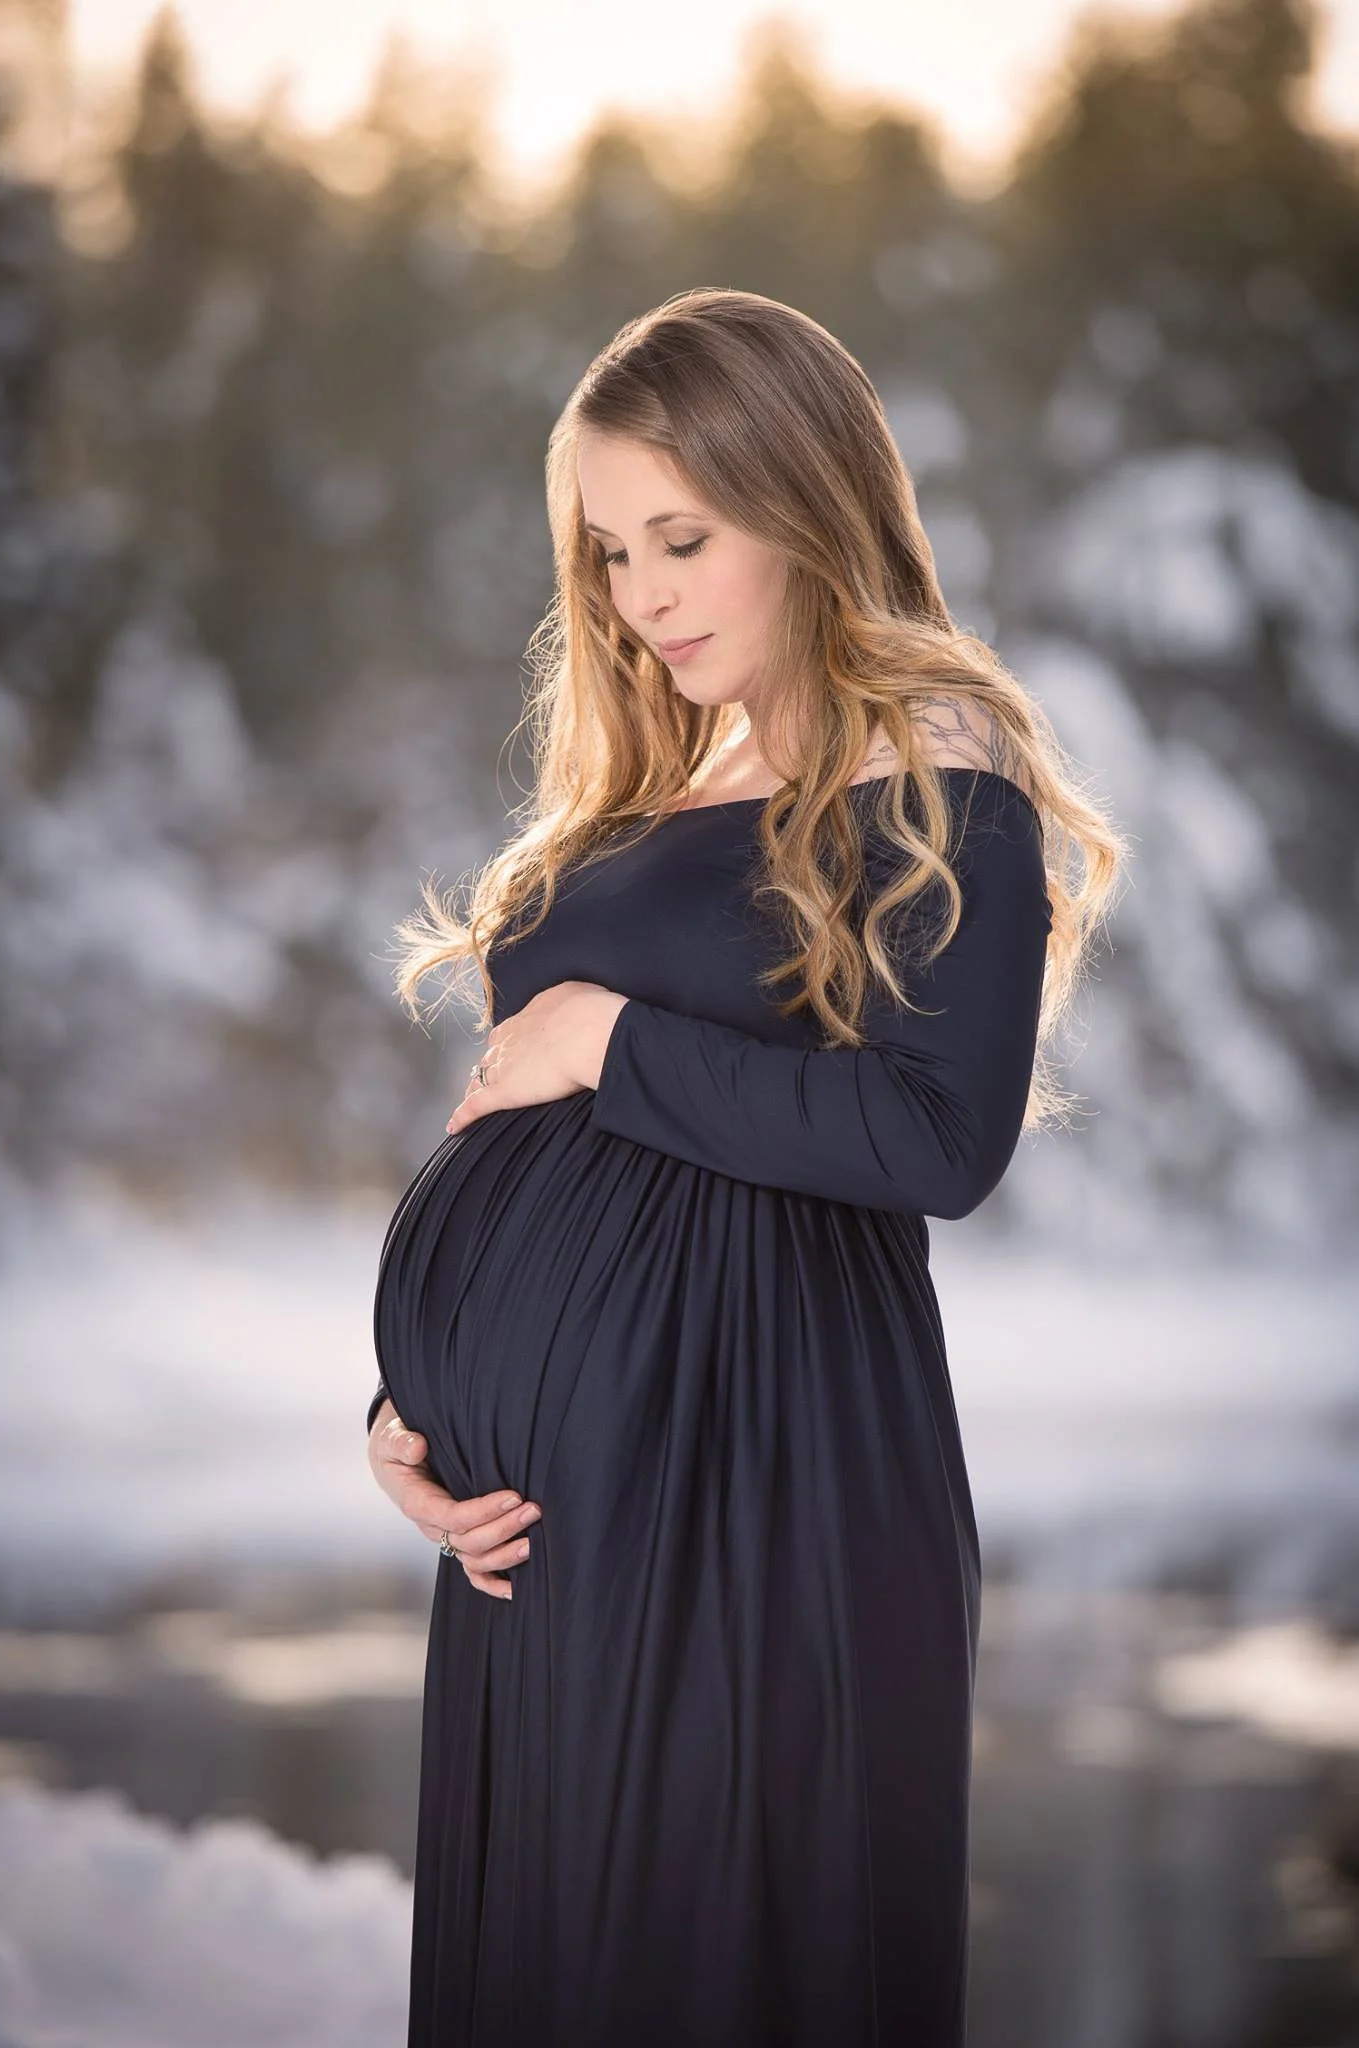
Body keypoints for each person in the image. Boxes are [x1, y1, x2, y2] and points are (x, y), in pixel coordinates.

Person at [366, 287, 1125, 2047]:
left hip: (765, 1489)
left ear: (801, 499)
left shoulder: (937, 770)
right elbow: (544, 1165)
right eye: (611, 551)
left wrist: (604, 1039)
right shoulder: (656, 775)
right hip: (539, 1534)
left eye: (681, 540)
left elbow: (932, 1142)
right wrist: (413, 1412)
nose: (638, 597)